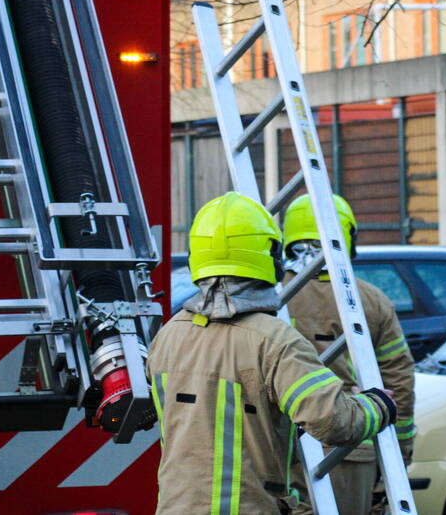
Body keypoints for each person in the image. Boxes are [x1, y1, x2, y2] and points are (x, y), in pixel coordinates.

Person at [147, 192, 397, 515]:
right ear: (270, 255)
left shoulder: (168, 335)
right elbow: (332, 421)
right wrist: (378, 405)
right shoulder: (274, 340)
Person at [282, 194, 415, 515]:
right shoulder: (371, 301)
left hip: (283, 446)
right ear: (346, 235)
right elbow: (399, 380)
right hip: (353, 448)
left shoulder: (274, 298)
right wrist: (401, 452)